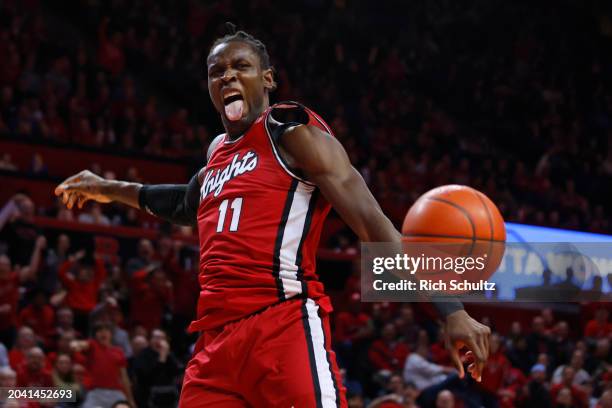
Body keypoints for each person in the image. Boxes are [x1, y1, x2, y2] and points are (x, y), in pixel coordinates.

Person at [55, 27, 491, 407]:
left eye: (239, 66)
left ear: (266, 79)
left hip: (281, 325)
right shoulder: (216, 157)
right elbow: (185, 205)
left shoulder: (290, 130)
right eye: (216, 70)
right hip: (213, 346)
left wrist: (449, 310)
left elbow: (374, 223)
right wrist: (105, 188)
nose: (227, 75)